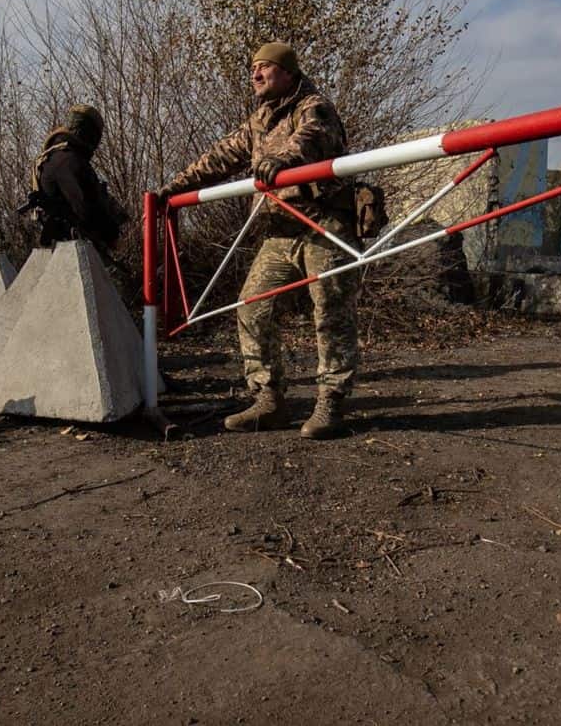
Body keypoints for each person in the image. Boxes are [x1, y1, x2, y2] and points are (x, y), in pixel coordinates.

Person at [156, 42, 358, 440]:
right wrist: (173, 189)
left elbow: (312, 138)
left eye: (264, 67)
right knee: (252, 307)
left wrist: (281, 159)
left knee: (331, 314)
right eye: (253, 68)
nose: (256, 75)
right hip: (279, 232)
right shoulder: (259, 121)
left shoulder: (313, 106)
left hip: (323, 225)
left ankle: (331, 402)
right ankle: (269, 399)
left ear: (287, 72)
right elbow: (220, 156)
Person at [21, 104, 128, 253]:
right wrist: (111, 235)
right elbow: (85, 205)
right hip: (71, 250)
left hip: (66, 248)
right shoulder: (68, 161)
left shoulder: (57, 158)